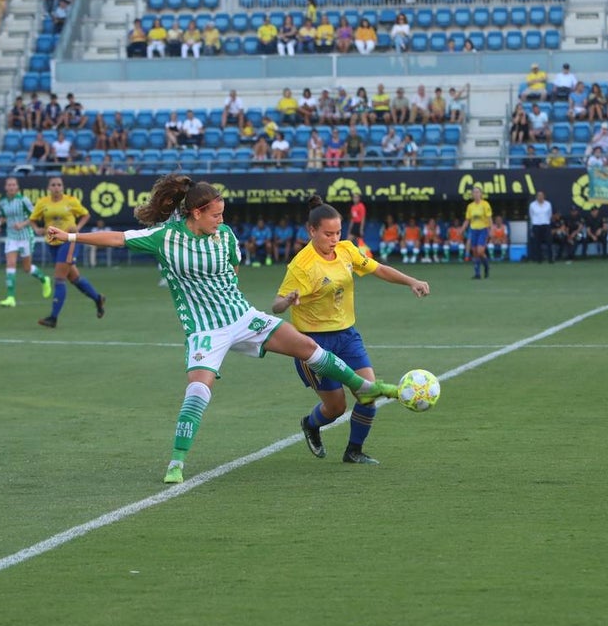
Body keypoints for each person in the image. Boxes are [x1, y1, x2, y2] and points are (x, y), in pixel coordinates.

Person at [44, 175, 404, 483]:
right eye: (215, 215)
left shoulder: (226, 236)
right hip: (205, 330)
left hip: (242, 317)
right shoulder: (164, 238)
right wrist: (70, 238)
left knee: (308, 348)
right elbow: (118, 238)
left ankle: (366, 389)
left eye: (222, 214)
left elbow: (232, 269)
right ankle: (176, 463)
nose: (221, 220)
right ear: (196, 213)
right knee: (198, 391)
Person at [273, 196, 429, 466]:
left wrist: (411, 281)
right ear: (311, 230)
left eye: (338, 232)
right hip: (313, 345)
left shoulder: (346, 250)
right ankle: (311, 424)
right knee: (336, 408)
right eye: (328, 234)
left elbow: (378, 268)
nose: (334, 239)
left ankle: (354, 451)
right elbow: (276, 305)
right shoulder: (302, 266)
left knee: (368, 394)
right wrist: (287, 301)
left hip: (347, 337)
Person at [28, 176, 106, 328]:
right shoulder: (42, 202)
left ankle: (53, 318)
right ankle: (98, 299)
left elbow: (86, 214)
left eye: (59, 185)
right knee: (74, 278)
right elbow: (32, 219)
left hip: (69, 241)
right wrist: (36, 228)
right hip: (52, 243)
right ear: (49, 188)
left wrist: (77, 228)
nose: (56, 187)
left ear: (63, 187)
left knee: (59, 278)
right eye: (53, 185)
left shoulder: (70, 200)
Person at [0, 176, 52, 307]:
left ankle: (44, 279)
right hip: (11, 237)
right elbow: (3, 216)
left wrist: (23, 224)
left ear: (17, 187)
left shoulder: (23, 200)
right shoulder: (2, 202)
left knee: (26, 268)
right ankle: (10, 298)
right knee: (10, 263)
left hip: (26, 237)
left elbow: (34, 216)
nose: (11, 187)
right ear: (5, 187)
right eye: (9, 185)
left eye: (13, 185)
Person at [459, 186, 493, 279]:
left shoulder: (485, 204)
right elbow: (467, 219)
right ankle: (477, 273)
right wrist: (462, 229)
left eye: (478, 192)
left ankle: (486, 266)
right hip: (473, 230)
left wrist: (491, 230)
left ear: (481, 194)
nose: (476, 194)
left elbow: (489, 218)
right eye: (474, 192)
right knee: (474, 252)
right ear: (472, 194)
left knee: (480, 251)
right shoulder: (470, 206)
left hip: (483, 229)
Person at [528, 190, 552, 263]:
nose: (540, 197)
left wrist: (546, 221)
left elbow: (549, 214)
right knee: (537, 242)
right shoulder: (532, 205)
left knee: (549, 242)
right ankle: (539, 259)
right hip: (536, 225)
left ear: (544, 196)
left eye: (541, 195)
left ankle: (550, 259)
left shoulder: (548, 204)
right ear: (536, 197)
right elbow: (531, 215)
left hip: (546, 225)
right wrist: (534, 223)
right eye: (539, 195)